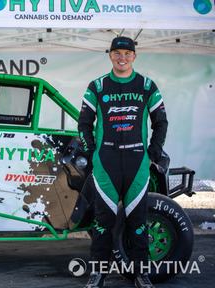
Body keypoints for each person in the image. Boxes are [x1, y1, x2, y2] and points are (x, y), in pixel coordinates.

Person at [78, 36, 168, 288]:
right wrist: (92, 152)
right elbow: (84, 124)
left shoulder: (147, 85)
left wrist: (153, 153)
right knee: (102, 222)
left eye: (127, 54)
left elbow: (161, 123)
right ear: (110, 55)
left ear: (134, 56)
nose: (122, 58)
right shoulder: (96, 86)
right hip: (105, 162)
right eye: (117, 53)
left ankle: (141, 274)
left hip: (137, 161)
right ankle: (98, 274)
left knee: (137, 221)